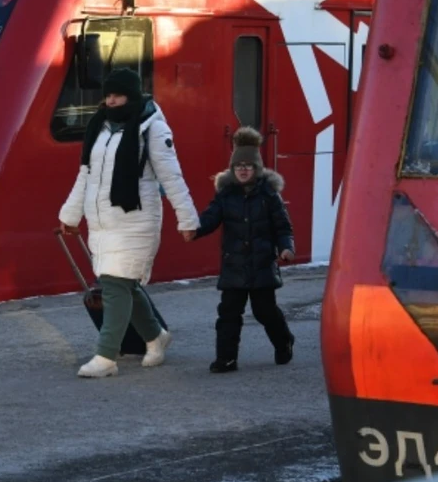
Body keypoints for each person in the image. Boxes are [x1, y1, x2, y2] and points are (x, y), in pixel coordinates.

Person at [58, 67, 199, 378]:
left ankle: (105, 357)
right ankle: (156, 337)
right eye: (107, 95)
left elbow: (171, 178)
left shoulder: (153, 129)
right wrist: (70, 215)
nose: (110, 100)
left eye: (117, 95)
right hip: (103, 220)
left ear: (131, 95)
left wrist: (187, 219)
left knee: (115, 284)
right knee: (124, 284)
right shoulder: (101, 126)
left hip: (136, 220)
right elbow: (87, 175)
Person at [190, 126, 296, 373]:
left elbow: (283, 227)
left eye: (248, 166)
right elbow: (210, 218)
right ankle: (226, 359)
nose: (243, 170)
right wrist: (193, 229)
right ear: (233, 169)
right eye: (239, 166)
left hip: (261, 265)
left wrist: (286, 248)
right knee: (228, 314)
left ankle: (284, 341)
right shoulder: (225, 195)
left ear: (257, 169)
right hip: (234, 265)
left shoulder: (269, 195)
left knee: (265, 312)